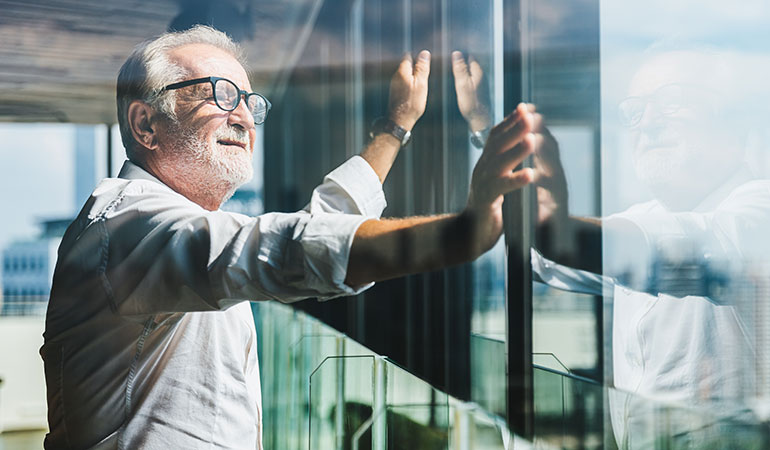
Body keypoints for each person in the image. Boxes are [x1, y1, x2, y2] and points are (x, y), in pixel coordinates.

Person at [41, 26, 536, 449]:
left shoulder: (174, 229)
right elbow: (290, 247)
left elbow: (316, 225)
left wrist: (394, 128)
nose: (242, 116)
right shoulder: (125, 223)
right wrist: (462, 231)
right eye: (218, 93)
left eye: (250, 102)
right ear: (145, 123)